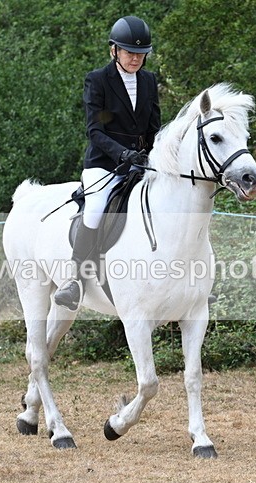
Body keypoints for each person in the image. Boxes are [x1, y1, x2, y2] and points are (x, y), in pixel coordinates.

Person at [53, 15, 161, 311]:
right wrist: (122, 154)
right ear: (114, 50)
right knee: (96, 206)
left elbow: (154, 128)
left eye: (141, 53)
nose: (136, 58)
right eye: (129, 52)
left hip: (140, 164)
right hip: (105, 164)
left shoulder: (149, 81)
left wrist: (154, 155)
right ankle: (74, 280)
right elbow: (95, 131)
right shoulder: (98, 80)